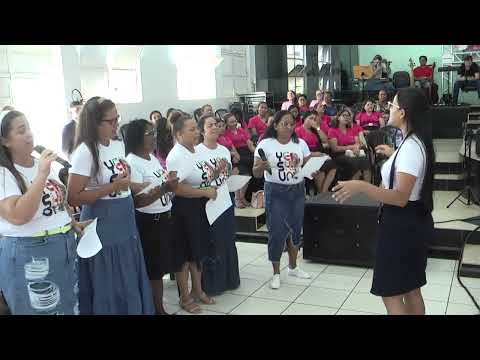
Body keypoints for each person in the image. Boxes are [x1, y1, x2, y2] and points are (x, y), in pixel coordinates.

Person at [332, 88, 434, 315]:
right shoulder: (412, 143)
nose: (388, 108)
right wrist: (393, 154)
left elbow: (399, 198)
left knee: (392, 293)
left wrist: (361, 186)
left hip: (401, 224)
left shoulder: (410, 148)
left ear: (403, 113)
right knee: (411, 288)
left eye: (393, 106)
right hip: (412, 220)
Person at [67, 96, 155, 315]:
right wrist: (112, 187)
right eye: (111, 121)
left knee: (127, 267)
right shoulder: (85, 152)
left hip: (124, 215)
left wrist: (136, 186)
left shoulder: (117, 144)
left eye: (118, 118)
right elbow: (74, 197)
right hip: (102, 218)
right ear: (95, 123)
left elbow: (120, 183)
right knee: (108, 272)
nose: (116, 124)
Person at [0, 109, 89, 315]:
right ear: (5, 140)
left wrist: (71, 223)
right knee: (41, 309)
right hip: (31, 253)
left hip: (63, 246)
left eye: (29, 127)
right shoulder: (5, 172)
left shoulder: (41, 164)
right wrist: (41, 174)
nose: (29, 134)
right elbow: (18, 216)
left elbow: (58, 203)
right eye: (21, 131)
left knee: (67, 307)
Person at [253, 110, 320, 289]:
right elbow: (256, 172)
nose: (289, 127)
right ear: (275, 125)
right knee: (276, 232)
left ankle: (293, 266)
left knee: (296, 230)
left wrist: (312, 170)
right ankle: (276, 272)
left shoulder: (300, 143)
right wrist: (262, 166)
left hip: (297, 190)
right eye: (285, 124)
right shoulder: (265, 144)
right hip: (275, 191)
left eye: (292, 124)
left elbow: (307, 166)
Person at [124, 119, 178, 315]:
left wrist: (169, 189)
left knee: (159, 267)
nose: (154, 137)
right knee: (153, 270)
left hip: (163, 216)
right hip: (149, 222)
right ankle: (157, 309)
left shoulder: (151, 158)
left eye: (154, 133)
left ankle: (157, 306)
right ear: (137, 137)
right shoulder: (132, 162)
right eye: (150, 134)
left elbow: (159, 186)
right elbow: (138, 201)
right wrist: (164, 188)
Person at [166, 113, 217, 314]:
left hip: (197, 208)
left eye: (197, 128)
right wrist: (204, 191)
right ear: (178, 135)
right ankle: (184, 297)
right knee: (184, 257)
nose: (197, 132)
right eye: (192, 129)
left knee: (196, 252)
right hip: (182, 209)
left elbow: (196, 176)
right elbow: (176, 189)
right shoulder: (177, 155)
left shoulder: (192, 151)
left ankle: (198, 290)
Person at [195, 114, 240, 296]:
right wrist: (217, 171)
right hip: (206, 202)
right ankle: (213, 284)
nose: (214, 127)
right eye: (210, 125)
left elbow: (226, 175)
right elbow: (199, 181)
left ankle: (230, 279)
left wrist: (231, 174)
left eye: (216, 124)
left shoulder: (223, 150)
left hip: (224, 199)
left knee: (228, 239)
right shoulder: (196, 152)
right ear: (201, 130)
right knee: (212, 241)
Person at [295, 111, 337, 193]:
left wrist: (318, 128)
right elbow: (297, 149)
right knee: (320, 169)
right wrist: (315, 154)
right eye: (310, 118)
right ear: (305, 119)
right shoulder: (298, 130)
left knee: (333, 166)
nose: (313, 121)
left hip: (318, 155)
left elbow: (325, 140)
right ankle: (322, 193)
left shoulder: (315, 131)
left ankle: (323, 192)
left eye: (314, 119)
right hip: (306, 157)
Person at [328, 107, 371, 181]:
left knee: (365, 160)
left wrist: (356, 147)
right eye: (344, 115)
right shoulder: (332, 130)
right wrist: (351, 147)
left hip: (353, 153)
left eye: (348, 116)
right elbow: (335, 149)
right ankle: (351, 187)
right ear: (338, 117)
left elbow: (358, 143)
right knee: (355, 162)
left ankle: (368, 187)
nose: (346, 117)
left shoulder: (351, 130)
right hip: (339, 155)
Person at [224, 113, 256, 208]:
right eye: (231, 122)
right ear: (227, 123)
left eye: (235, 121)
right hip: (236, 154)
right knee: (240, 174)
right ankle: (237, 198)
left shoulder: (241, 130)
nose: (234, 123)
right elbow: (230, 147)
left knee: (248, 175)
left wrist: (256, 153)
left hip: (246, 153)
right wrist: (236, 155)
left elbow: (249, 143)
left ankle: (242, 197)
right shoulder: (226, 133)